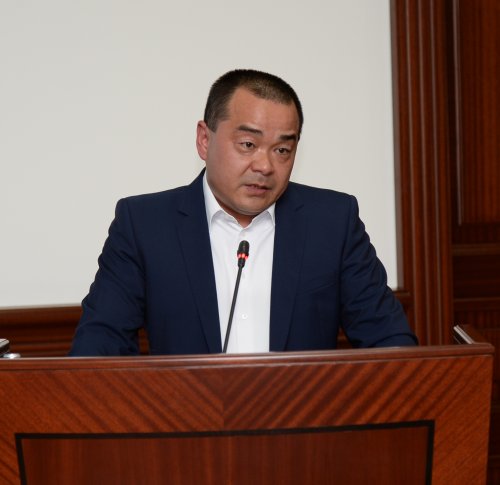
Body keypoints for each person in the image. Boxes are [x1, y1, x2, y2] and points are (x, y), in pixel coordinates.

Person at [69, 69, 417, 356]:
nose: (265, 166)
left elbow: (390, 342)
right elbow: (98, 349)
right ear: (204, 140)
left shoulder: (332, 222)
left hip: (303, 420)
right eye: (248, 145)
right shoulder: (144, 225)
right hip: (185, 420)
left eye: (282, 150)